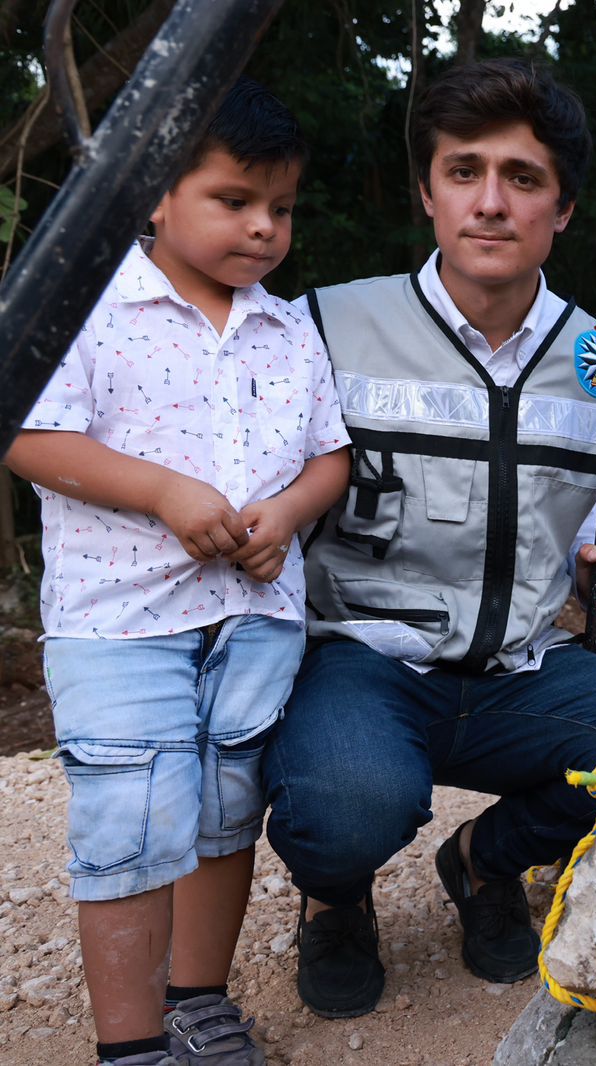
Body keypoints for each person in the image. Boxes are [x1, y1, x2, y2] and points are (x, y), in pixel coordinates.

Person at [260, 58, 596, 1020]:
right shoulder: (327, 324)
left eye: (524, 177)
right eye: (465, 171)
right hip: (366, 664)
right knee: (344, 803)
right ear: (426, 191)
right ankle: (335, 893)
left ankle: (483, 862)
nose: (492, 203)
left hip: (522, 672)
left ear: (566, 207)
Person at [5, 81, 350, 1066]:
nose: (263, 227)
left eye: (280, 208)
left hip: (253, 619)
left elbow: (331, 454)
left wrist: (287, 512)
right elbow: (26, 432)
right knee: (130, 815)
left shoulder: (288, 332)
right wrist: (162, 492)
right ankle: (132, 1042)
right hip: (119, 622)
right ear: (156, 194)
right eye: (234, 199)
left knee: (225, 805)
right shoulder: (89, 305)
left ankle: (198, 997)